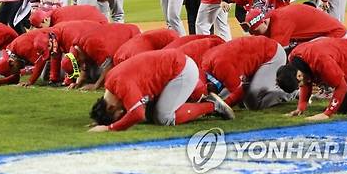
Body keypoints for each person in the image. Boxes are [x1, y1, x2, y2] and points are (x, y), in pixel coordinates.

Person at [88, 49, 234, 132]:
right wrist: (103, 122)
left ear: (111, 107)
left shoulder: (121, 86)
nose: (121, 114)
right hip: (173, 68)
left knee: (163, 118)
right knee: (151, 114)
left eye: (117, 115)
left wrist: (109, 128)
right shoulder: (111, 83)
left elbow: (138, 114)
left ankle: (212, 105)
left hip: (181, 70)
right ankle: (203, 102)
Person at [200, 36, 295, 110]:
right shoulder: (208, 63)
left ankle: (291, 93)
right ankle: (267, 86)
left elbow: (237, 91)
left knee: (253, 102)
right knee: (243, 100)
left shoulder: (220, 66)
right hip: (261, 53)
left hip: (272, 55)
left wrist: (218, 106)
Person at [61, 23, 141, 89]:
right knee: (93, 72)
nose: (80, 68)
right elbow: (83, 66)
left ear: (77, 59)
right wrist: (77, 83)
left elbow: (110, 65)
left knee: (98, 74)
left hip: (133, 35)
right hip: (122, 33)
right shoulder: (77, 48)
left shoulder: (91, 45)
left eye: (78, 66)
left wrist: (96, 86)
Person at [246, 4, 347, 49]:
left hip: (336, 35)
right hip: (323, 36)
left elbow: (277, 55)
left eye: (257, 31)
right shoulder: (269, 18)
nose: (256, 34)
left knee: (302, 55)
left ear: (264, 22)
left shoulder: (280, 24)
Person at [29, 4, 107, 28]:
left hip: (98, 24)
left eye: (40, 27)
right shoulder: (56, 12)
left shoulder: (60, 24)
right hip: (95, 13)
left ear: (45, 20)